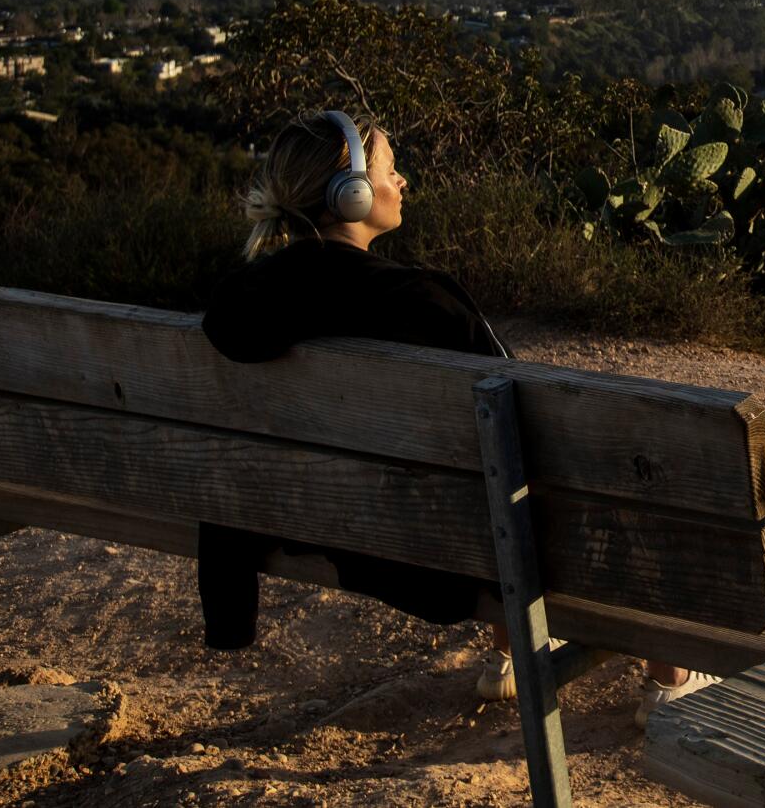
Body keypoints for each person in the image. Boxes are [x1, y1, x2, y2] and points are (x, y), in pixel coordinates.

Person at [202, 109, 717, 723]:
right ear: (351, 194)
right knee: (620, 475)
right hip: (442, 557)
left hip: (330, 531)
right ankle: (672, 674)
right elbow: (534, 424)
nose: (403, 183)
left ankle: (512, 652)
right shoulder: (421, 301)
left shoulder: (233, 308)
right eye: (392, 171)